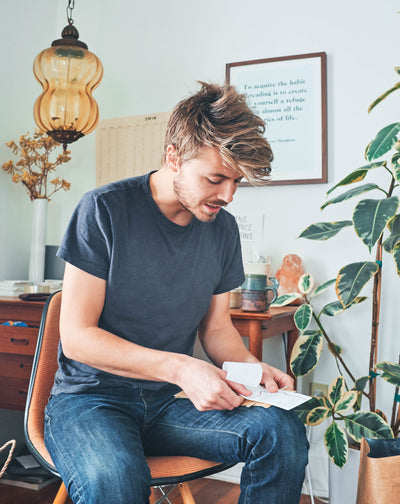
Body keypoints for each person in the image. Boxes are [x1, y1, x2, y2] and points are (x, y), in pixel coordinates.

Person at [44, 82, 308, 504]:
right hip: (90, 402)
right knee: (115, 480)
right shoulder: (104, 210)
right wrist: (182, 369)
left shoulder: (222, 230)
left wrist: (252, 367)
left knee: (281, 432)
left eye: (236, 181)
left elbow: (217, 328)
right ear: (174, 157)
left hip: (165, 406)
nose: (227, 195)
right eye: (216, 178)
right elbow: (77, 337)